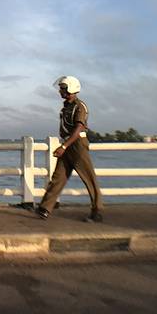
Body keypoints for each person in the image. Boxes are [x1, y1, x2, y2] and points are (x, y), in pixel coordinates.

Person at [36, 76, 104, 222]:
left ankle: (97, 211)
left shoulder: (80, 106)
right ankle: (45, 208)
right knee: (58, 177)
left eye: (63, 88)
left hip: (77, 144)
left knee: (89, 178)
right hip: (67, 143)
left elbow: (79, 128)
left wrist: (64, 146)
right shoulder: (66, 107)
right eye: (60, 88)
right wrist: (64, 145)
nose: (60, 91)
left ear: (71, 88)